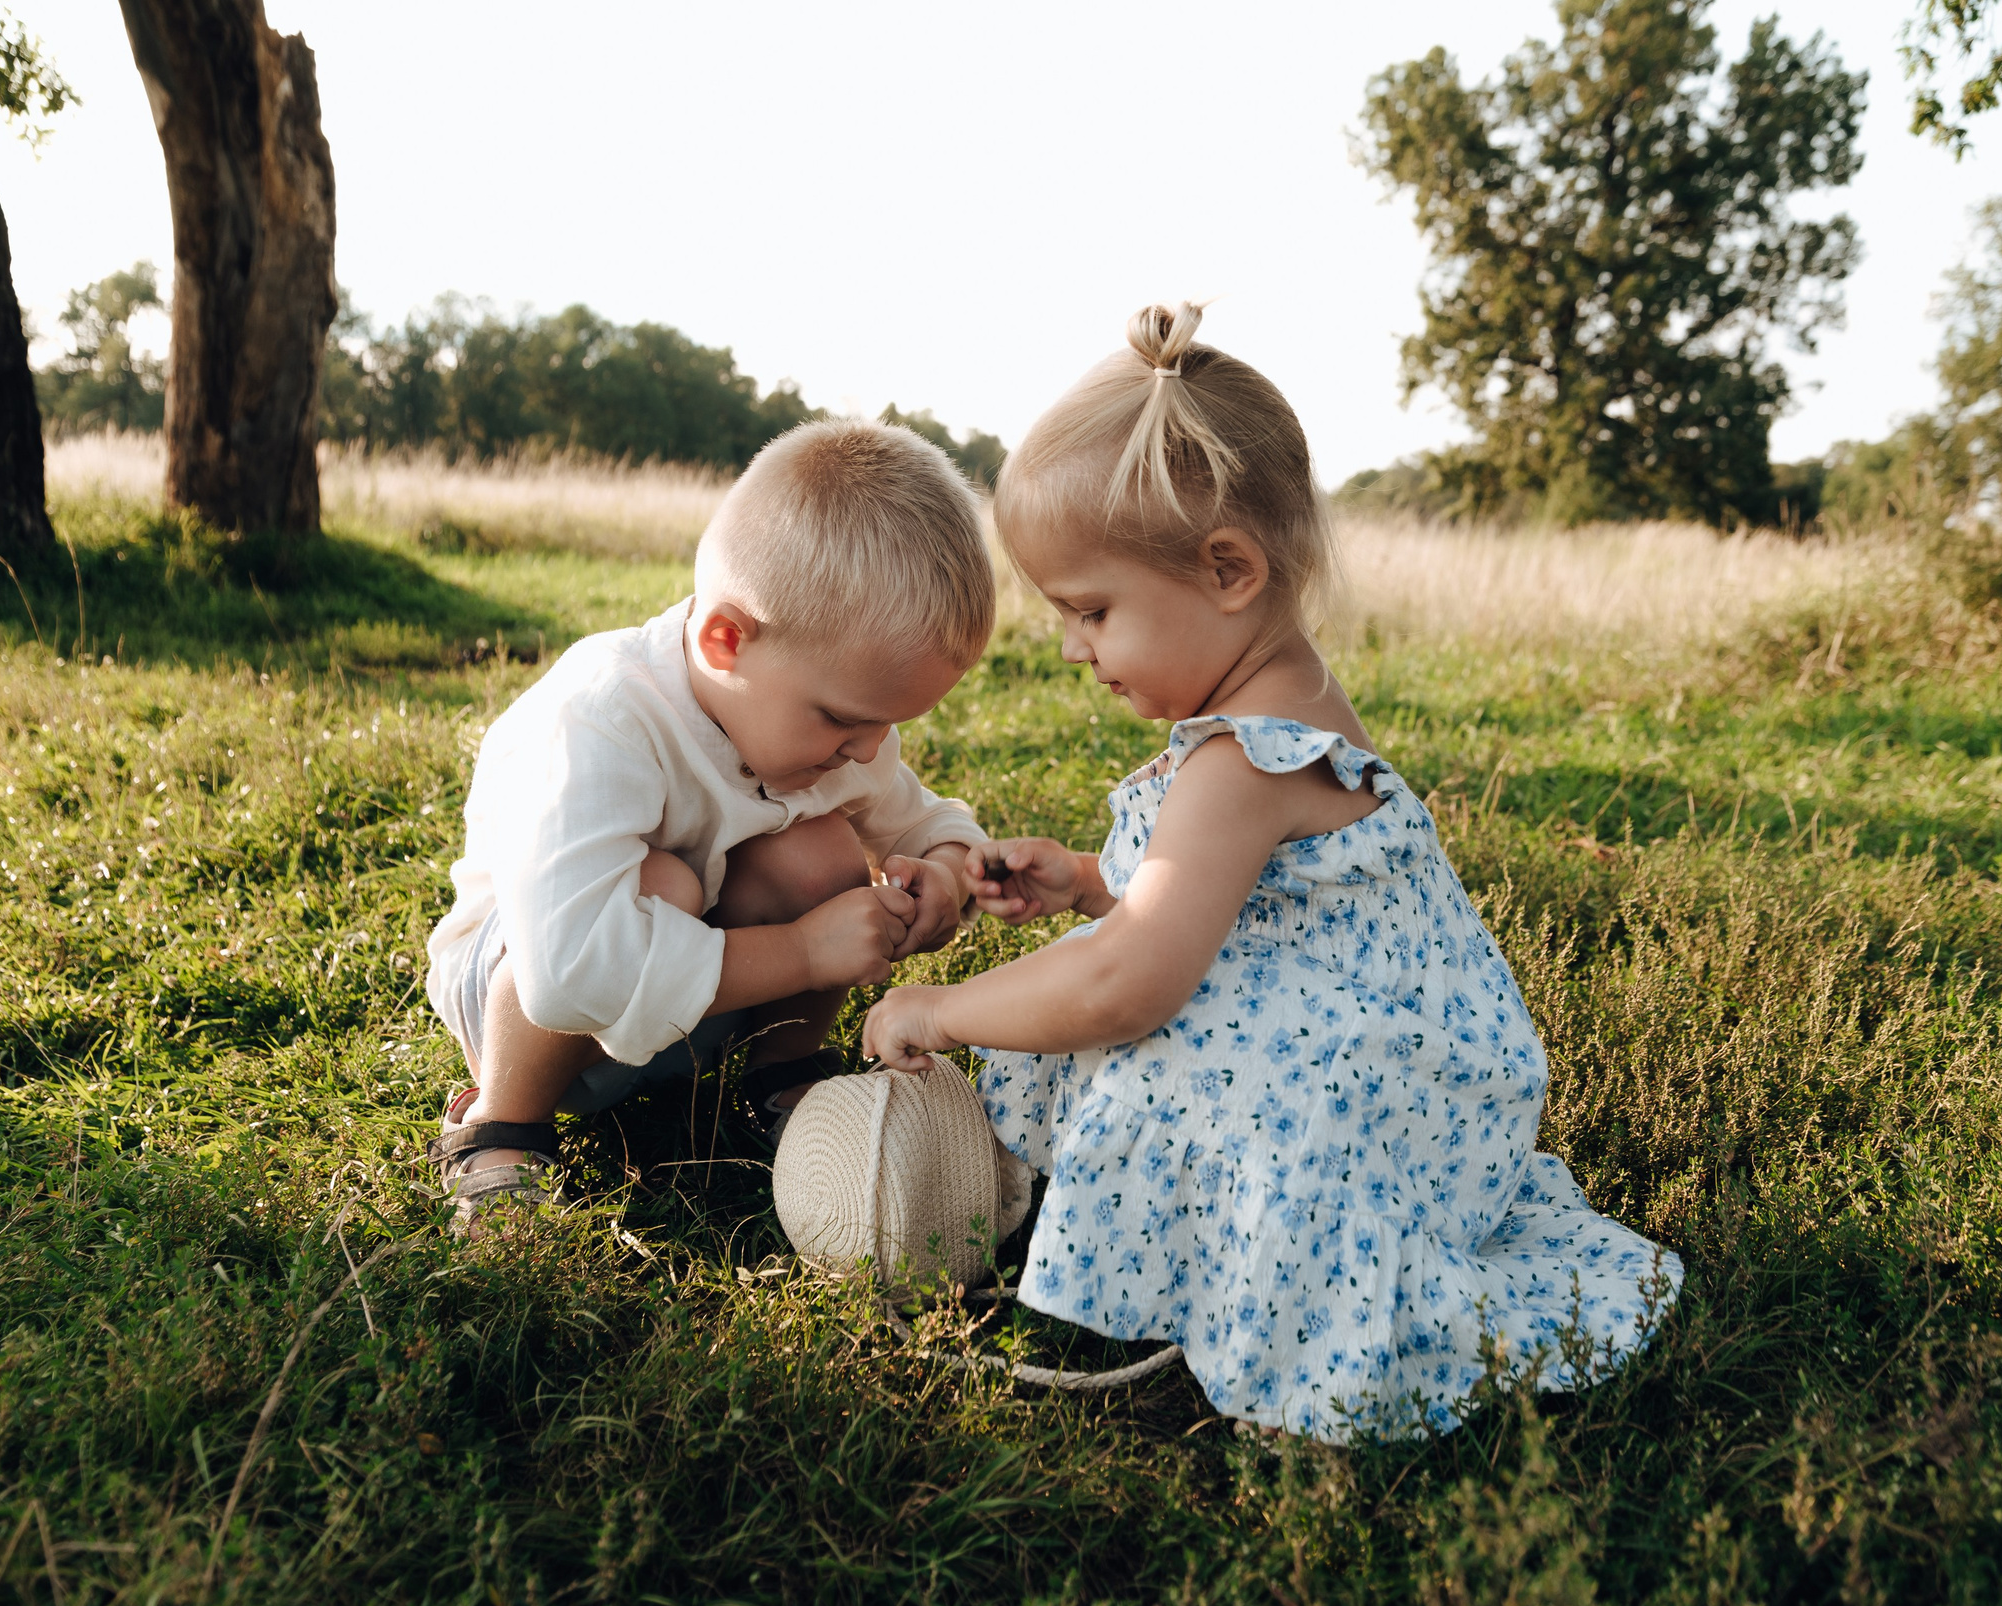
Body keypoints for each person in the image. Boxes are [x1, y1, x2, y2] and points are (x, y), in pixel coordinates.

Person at [860, 305, 1679, 1440]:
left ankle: (1285, 1316)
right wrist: (1100, 882)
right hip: (1433, 1079)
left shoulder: (1241, 759)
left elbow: (1126, 984)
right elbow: (1276, 908)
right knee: (1106, 971)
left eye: (1092, 610)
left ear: (1228, 569)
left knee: (1116, 1024)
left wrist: (942, 1006)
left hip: (1378, 1110)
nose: (1071, 647)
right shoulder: (1288, 697)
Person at [428, 420, 993, 1231]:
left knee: (820, 850)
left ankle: (783, 1076)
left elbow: (926, 818)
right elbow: (569, 969)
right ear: (727, 641)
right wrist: (804, 950)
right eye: (843, 719)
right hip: (528, 1002)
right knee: (665, 883)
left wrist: (944, 870)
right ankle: (501, 1126)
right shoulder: (604, 714)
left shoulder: (832, 738)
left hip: (688, 1010)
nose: (869, 750)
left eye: (886, 724)